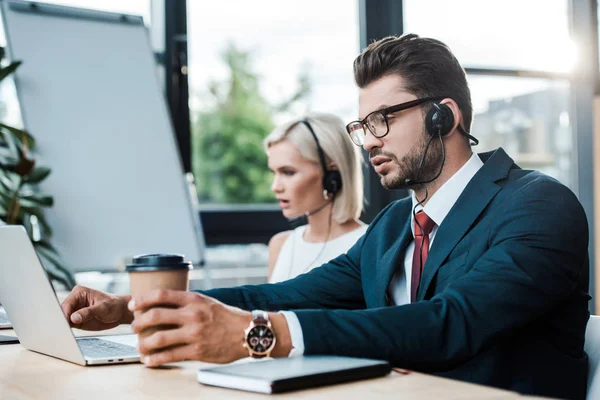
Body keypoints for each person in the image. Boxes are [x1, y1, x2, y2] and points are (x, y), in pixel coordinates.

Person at [61, 34, 590, 400]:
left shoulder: (538, 206)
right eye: (363, 125)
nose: (369, 141)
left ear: (443, 116)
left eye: (383, 119)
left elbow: (449, 323)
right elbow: (281, 295)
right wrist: (133, 308)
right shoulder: (392, 228)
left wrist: (257, 335)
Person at [264, 113, 367, 283]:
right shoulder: (281, 245)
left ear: (332, 175)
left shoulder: (369, 245)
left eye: (288, 172)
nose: (275, 186)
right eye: (274, 173)